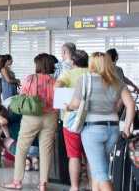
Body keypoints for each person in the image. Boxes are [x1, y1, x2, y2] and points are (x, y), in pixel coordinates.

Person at [64, 52, 135, 191]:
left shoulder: (85, 79)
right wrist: (127, 128)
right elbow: (131, 105)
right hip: (113, 129)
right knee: (99, 166)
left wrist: (68, 106)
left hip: (92, 129)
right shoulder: (117, 81)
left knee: (101, 171)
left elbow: (76, 103)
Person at [0, 53, 57, 191]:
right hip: (50, 116)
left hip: (32, 116)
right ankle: (43, 183)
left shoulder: (31, 78)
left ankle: (17, 182)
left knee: (21, 148)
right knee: (46, 150)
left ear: (38, 65)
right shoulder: (55, 81)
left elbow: (22, 96)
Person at [54, 49, 91, 191]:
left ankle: (74, 187)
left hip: (71, 121)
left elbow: (57, 86)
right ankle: (91, 185)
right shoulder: (92, 74)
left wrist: (66, 101)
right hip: (90, 120)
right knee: (89, 155)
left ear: (73, 62)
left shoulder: (68, 73)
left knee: (74, 155)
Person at [0, 103, 40, 171]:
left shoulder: (8, 118)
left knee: (4, 141)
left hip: (25, 148)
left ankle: (24, 160)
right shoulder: (23, 114)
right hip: (37, 149)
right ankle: (34, 159)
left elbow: (8, 136)